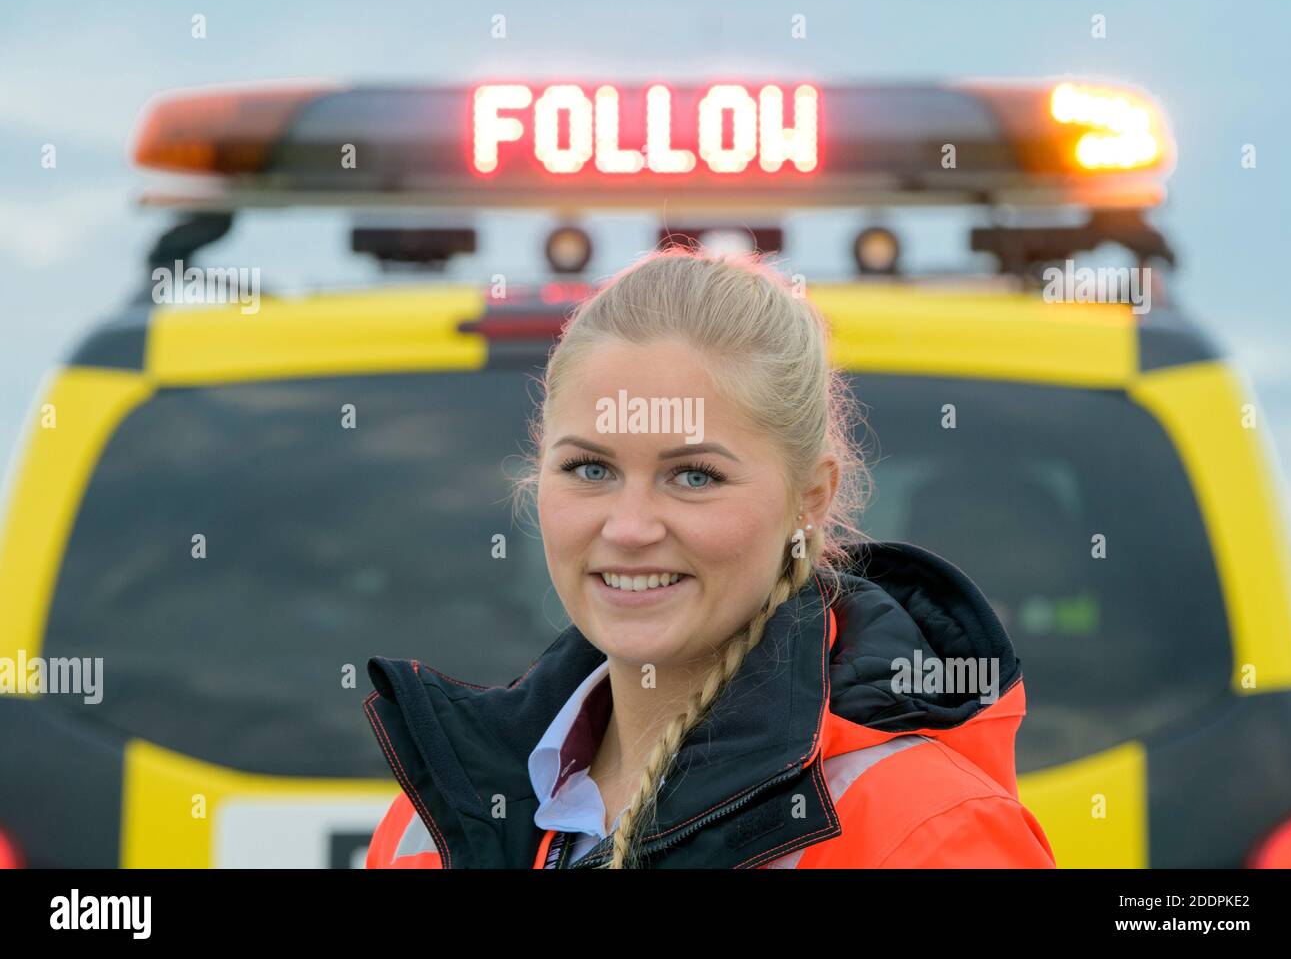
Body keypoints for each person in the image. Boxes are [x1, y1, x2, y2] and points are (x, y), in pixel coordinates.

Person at [363, 244, 1055, 869]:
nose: (630, 527)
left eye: (694, 476)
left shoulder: (931, 835)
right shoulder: (430, 822)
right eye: (590, 469)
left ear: (809, 498)